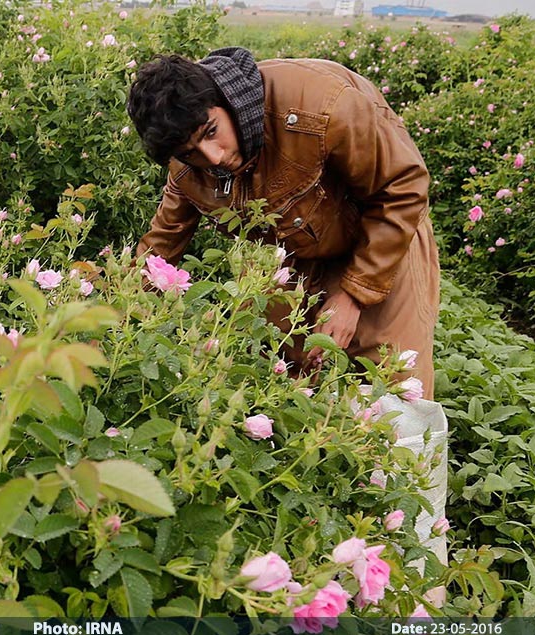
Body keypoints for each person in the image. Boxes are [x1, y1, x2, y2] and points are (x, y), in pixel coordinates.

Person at [127, 49, 440, 399]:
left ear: (225, 101)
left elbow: (401, 188)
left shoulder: (321, 106)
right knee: (274, 374)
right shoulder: (188, 167)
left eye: (211, 132)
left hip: (380, 231)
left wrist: (353, 294)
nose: (213, 157)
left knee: (395, 381)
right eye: (189, 152)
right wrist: (113, 316)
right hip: (288, 249)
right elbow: (159, 249)